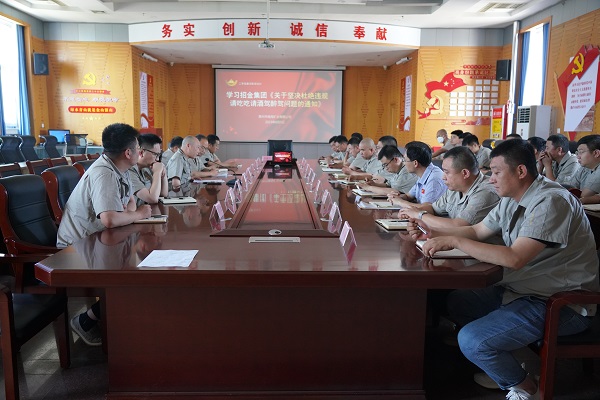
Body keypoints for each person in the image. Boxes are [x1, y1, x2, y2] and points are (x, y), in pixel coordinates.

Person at [408, 139, 598, 400]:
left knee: (473, 341)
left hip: (560, 302)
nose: (491, 178)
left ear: (520, 171)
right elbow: (477, 231)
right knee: (460, 302)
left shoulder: (550, 200)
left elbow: (515, 258)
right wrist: (432, 234)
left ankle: (528, 388)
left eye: (496, 172)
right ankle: (518, 363)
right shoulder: (512, 198)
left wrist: (454, 241)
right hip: (524, 288)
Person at [57, 122, 153, 346]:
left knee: (139, 270)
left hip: (99, 239)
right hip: (76, 248)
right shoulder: (104, 173)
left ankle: (120, 323)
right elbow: (110, 219)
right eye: (138, 148)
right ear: (128, 152)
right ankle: (85, 321)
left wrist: (131, 213)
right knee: (136, 276)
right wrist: (138, 214)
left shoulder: (119, 169)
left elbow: (128, 204)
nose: (140, 152)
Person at [399, 146, 499, 230]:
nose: (443, 177)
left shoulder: (486, 192)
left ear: (465, 173)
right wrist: (410, 211)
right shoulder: (455, 187)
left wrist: (419, 215)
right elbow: (433, 208)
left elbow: (459, 226)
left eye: (447, 172)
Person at [388, 141, 447, 205]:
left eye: (405, 160)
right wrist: (396, 197)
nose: (404, 163)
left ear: (415, 163)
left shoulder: (433, 180)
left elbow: (426, 208)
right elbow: (408, 196)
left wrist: (400, 202)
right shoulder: (423, 173)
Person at [130, 133, 169, 206]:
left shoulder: (146, 169)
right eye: (155, 154)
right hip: (135, 212)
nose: (157, 159)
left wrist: (163, 173)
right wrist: (157, 172)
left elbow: (163, 194)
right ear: (141, 152)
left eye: (159, 155)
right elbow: (152, 199)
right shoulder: (129, 171)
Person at [572, 134, 600, 204]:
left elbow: (585, 195)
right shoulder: (585, 167)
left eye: (581, 152)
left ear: (596, 153)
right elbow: (571, 187)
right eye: (577, 152)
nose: (578, 156)